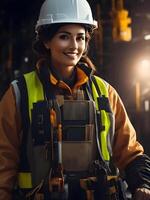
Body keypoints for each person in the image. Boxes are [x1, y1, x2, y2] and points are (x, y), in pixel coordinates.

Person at [0, 0, 150, 199]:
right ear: (46, 41)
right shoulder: (19, 94)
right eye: (64, 37)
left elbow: (130, 151)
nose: (74, 46)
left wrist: (143, 184)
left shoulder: (104, 92)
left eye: (80, 38)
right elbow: (4, 162)